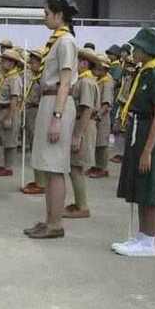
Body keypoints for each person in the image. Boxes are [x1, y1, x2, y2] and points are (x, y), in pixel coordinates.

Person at [111, 27, 155, 256]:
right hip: (138, 129)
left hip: (149, 133)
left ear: (147, 50)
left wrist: (148, 150)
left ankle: (148, 241)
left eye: (137, 48)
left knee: (151, 187)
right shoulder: (143, 71)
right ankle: (141, 236)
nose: (133, 51)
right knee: (141, 186)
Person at [24, 0, 78, 240]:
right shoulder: (56, 41)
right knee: (47, 166)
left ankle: (55, 224)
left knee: (55, 167)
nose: (44, 17)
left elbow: (65, 82)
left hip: (58, 102)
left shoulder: (66, 41)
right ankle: (49, 220)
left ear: (59, 15)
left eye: (47, 13)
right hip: (49, 100)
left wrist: (57, 117)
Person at [64, 48, 101, 219]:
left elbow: (86, 109)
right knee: (74, 167)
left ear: (85, 63)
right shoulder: (84, 80)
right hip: (81, 124)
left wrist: (77, 136)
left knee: (76, 167)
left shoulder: (86, 82)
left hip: (83, 126)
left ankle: (82, 206)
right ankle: (79, 203)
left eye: (77, 61)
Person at [0, 48, 24, 177]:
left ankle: (8, 167)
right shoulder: (3, 76)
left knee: (10, 140)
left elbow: (14, 99)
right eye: (4, 59)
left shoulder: (14, 78)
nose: (6, 62)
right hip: (1, 109)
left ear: (14, 63)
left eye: (10, 61)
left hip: (9, 110)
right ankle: (2, 164)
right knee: (3, 139)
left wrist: (9, 117)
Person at [22, 48, 48, 195]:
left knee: (38, 147)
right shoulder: (33, 76)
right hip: (30, 110)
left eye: (34, 61)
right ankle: (38, 179)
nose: (31, 64)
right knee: (33, 145)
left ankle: (41, 182)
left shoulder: (43, 78)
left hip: (38, 110)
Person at [89, 54, 115, 179]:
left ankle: (103, 168)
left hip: (102, 117)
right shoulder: (98, 80)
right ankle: (96, 165)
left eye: (98, 68)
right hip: (96, 115)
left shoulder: (107, 82)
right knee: (96, 143)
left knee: (102, 144)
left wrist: (98, 115)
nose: (95, 70)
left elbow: (106, 103)